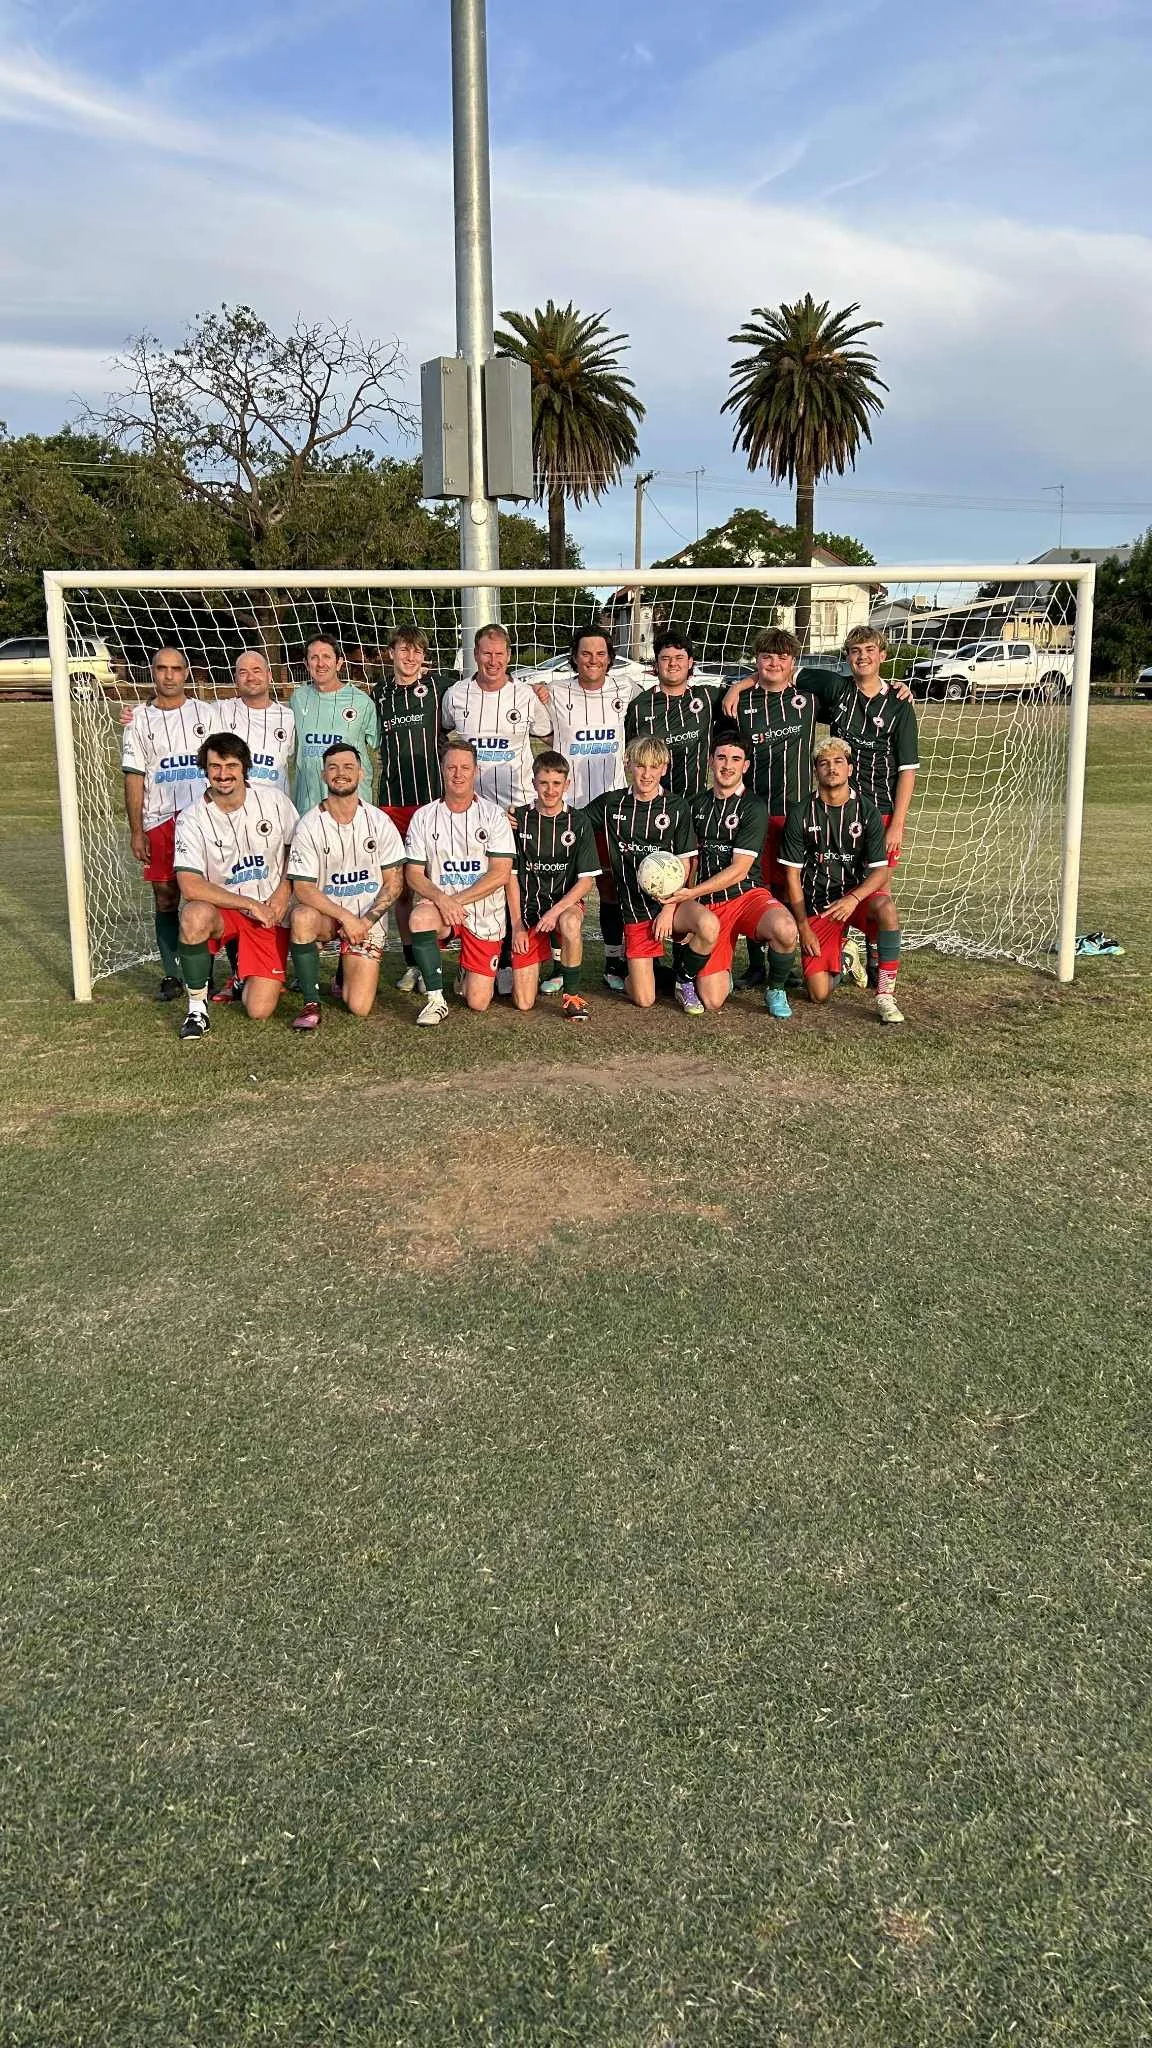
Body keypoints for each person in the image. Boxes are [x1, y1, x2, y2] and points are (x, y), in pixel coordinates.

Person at [803, 624, 918, 986]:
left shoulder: (899, 704)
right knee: (833, 877)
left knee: (876, 890)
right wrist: (743, 685)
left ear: (882, 655)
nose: (862, 656)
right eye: (855, 651)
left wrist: (896, 824)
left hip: (880, 809)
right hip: (837, 808)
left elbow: (907, 770)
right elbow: (783, 669)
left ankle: (874, 959)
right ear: (847, 657)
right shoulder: (837, 690)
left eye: (869, 649)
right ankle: (841, 947)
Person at [541, 625, 650, 991]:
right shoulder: (554, 692)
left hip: (612, 809)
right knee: (560, 886)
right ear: (574, 656)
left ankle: (614, 959)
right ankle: (557, 966)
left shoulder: (628, 689)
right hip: (568, 809)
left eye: (600, 653)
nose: (593, 660)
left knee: (611, 888)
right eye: (586, 653)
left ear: (610, 657)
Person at [173, 732, 299, 1040]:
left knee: (259, 1010)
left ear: (244, 767)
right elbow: (189, 885)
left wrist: (283, 892)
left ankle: (243, 974)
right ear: (205, 769)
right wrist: (247, 904)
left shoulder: (273, 800)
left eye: (231, 765)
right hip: (228, 910)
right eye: (215, 766)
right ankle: (197, 1008)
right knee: (193, 915)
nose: (223, 774)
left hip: (268, 911)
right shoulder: (192, 818)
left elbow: (295, 851)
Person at [670, 725, 799, 1017]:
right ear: (710, 761)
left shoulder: (753, 807)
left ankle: (775, 988)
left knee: (786, 929)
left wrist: (693, 892)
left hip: (746, 895)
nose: (727, 765)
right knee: (713, 1001)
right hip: (709, 905)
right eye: (722, 757)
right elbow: (688, 859)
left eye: (735, 759)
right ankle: (697, 972)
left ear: (746, 765)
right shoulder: (694, 805)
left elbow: (740, 870)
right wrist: (687, 903)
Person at [583, 736, 717, 1013]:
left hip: (673, 903)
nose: (646, 774)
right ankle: (634, 970)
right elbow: (571, 819)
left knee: (709, 925)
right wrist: (522, 816)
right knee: (644, 998)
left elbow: (686, 863)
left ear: (664, 769)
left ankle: (684, 980)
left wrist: (668, 910)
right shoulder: (610, 805)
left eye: (654, 767)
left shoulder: (677, 807)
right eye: (640, 766)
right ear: (628, 765)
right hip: (635, 908)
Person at [778, 736, 905, 1023]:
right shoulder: (801, 813)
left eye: (838, 762)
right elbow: (792, 875)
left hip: (856, 899)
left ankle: (885, 995)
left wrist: (854, 898)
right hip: (819, 905)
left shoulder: (867, 811)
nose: (831, 768)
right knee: (818, 994)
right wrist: (803, 928)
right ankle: (845, 958)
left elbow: (881, 870)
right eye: (824, 763)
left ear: (849, 768)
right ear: (815, 771)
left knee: (886, 909)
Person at [286, 743, 407, 1028]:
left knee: (359, 1006)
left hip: (365, 922)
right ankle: (310, 1001)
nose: (341, 773)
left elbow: (395, 883)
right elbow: (302, 888)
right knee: (301, 916)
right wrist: (346, 918)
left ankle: (343, 972)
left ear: (361, 774)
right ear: (323, 775)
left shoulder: (379, 821)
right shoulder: (309, 825)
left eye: (348, 767)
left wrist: (363, 921)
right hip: (329, 917)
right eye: (333, 768)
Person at [121, 646, 214, 1001]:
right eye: (162, 668)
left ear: (186, 673)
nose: (169, 675)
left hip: (203, 820)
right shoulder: (139, 721)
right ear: (153, 672)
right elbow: (133, 777)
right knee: (165, 898)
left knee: (205, 896)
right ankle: (172, 974)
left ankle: (204, 972)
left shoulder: (207, 713)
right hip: (159, 820)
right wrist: (136, 830)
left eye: (176, 668)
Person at [403, 736, 516, 1026]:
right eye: (451, 767)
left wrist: (456, 900)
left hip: (484, 913)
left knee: (478, 1002)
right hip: (442, 910)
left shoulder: (493, 816)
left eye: (465, 767)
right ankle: (436, 1000)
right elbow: (413, 873)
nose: (458, 774)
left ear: (476, 771)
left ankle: (466, 969)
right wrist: (442, 900)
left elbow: (500, 873)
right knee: (420, 918)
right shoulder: (423, 816)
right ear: (442, 769)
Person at [372, 623, 452, 992]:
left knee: (433, 881)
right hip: (392, 802)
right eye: (403, 650)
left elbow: (488, 677)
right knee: (400, 886)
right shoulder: (379, 693)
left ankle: (432, 955)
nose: (410, 657)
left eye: (417, 650)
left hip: (431, 800)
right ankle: (412, 963)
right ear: (391, 653)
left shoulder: (439, 687)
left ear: (424, 656)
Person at [507, 751, 600, 1023]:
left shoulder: (579, 822)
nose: (550, 790)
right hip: (528, 911)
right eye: (544, 783)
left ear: (567, 785)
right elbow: (510, 877)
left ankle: (572, 996)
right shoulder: (518, 820)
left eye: (556, 783)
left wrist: (555, 912)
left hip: (563, 906)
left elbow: (586, 880)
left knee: (570, 924)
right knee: (524, 1003)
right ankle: (533, 959)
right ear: (533, 783)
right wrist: (516, 925)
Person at [440, 624, 551, 808]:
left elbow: (549, 734)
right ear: (476, 654)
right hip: (473, 807)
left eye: (499, 654)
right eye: (486, 654)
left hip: (519, 806)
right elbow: (441, 730)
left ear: (508, 656)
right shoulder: (455, 695)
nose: (493, 661)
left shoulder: (526, 695)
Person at [290, 633, 379, 814]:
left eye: (326, 657)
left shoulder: (362, 702)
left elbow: (379, 749)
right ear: (307, 664)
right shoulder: (298, 699)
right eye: (314, 658)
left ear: (338, 663)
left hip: (352, 804)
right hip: (309, 803)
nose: (320, 663)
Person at [624, 626, 714, 799]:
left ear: (690, 663)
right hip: (652, 806)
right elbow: (628, 754)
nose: (673, 663)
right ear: (656, 665)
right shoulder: (639, 706)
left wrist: (738, 687)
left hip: (695, 803)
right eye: (665, 658)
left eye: (679, 657)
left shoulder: (707, 697)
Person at [214, 650, 297, 795]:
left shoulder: (288, 717)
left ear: (269, 676)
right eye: (243, 672)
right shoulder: (219, 711)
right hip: (233, 808)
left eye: (256, 670)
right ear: (236, 679)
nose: (251, 677)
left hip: (274, 808)